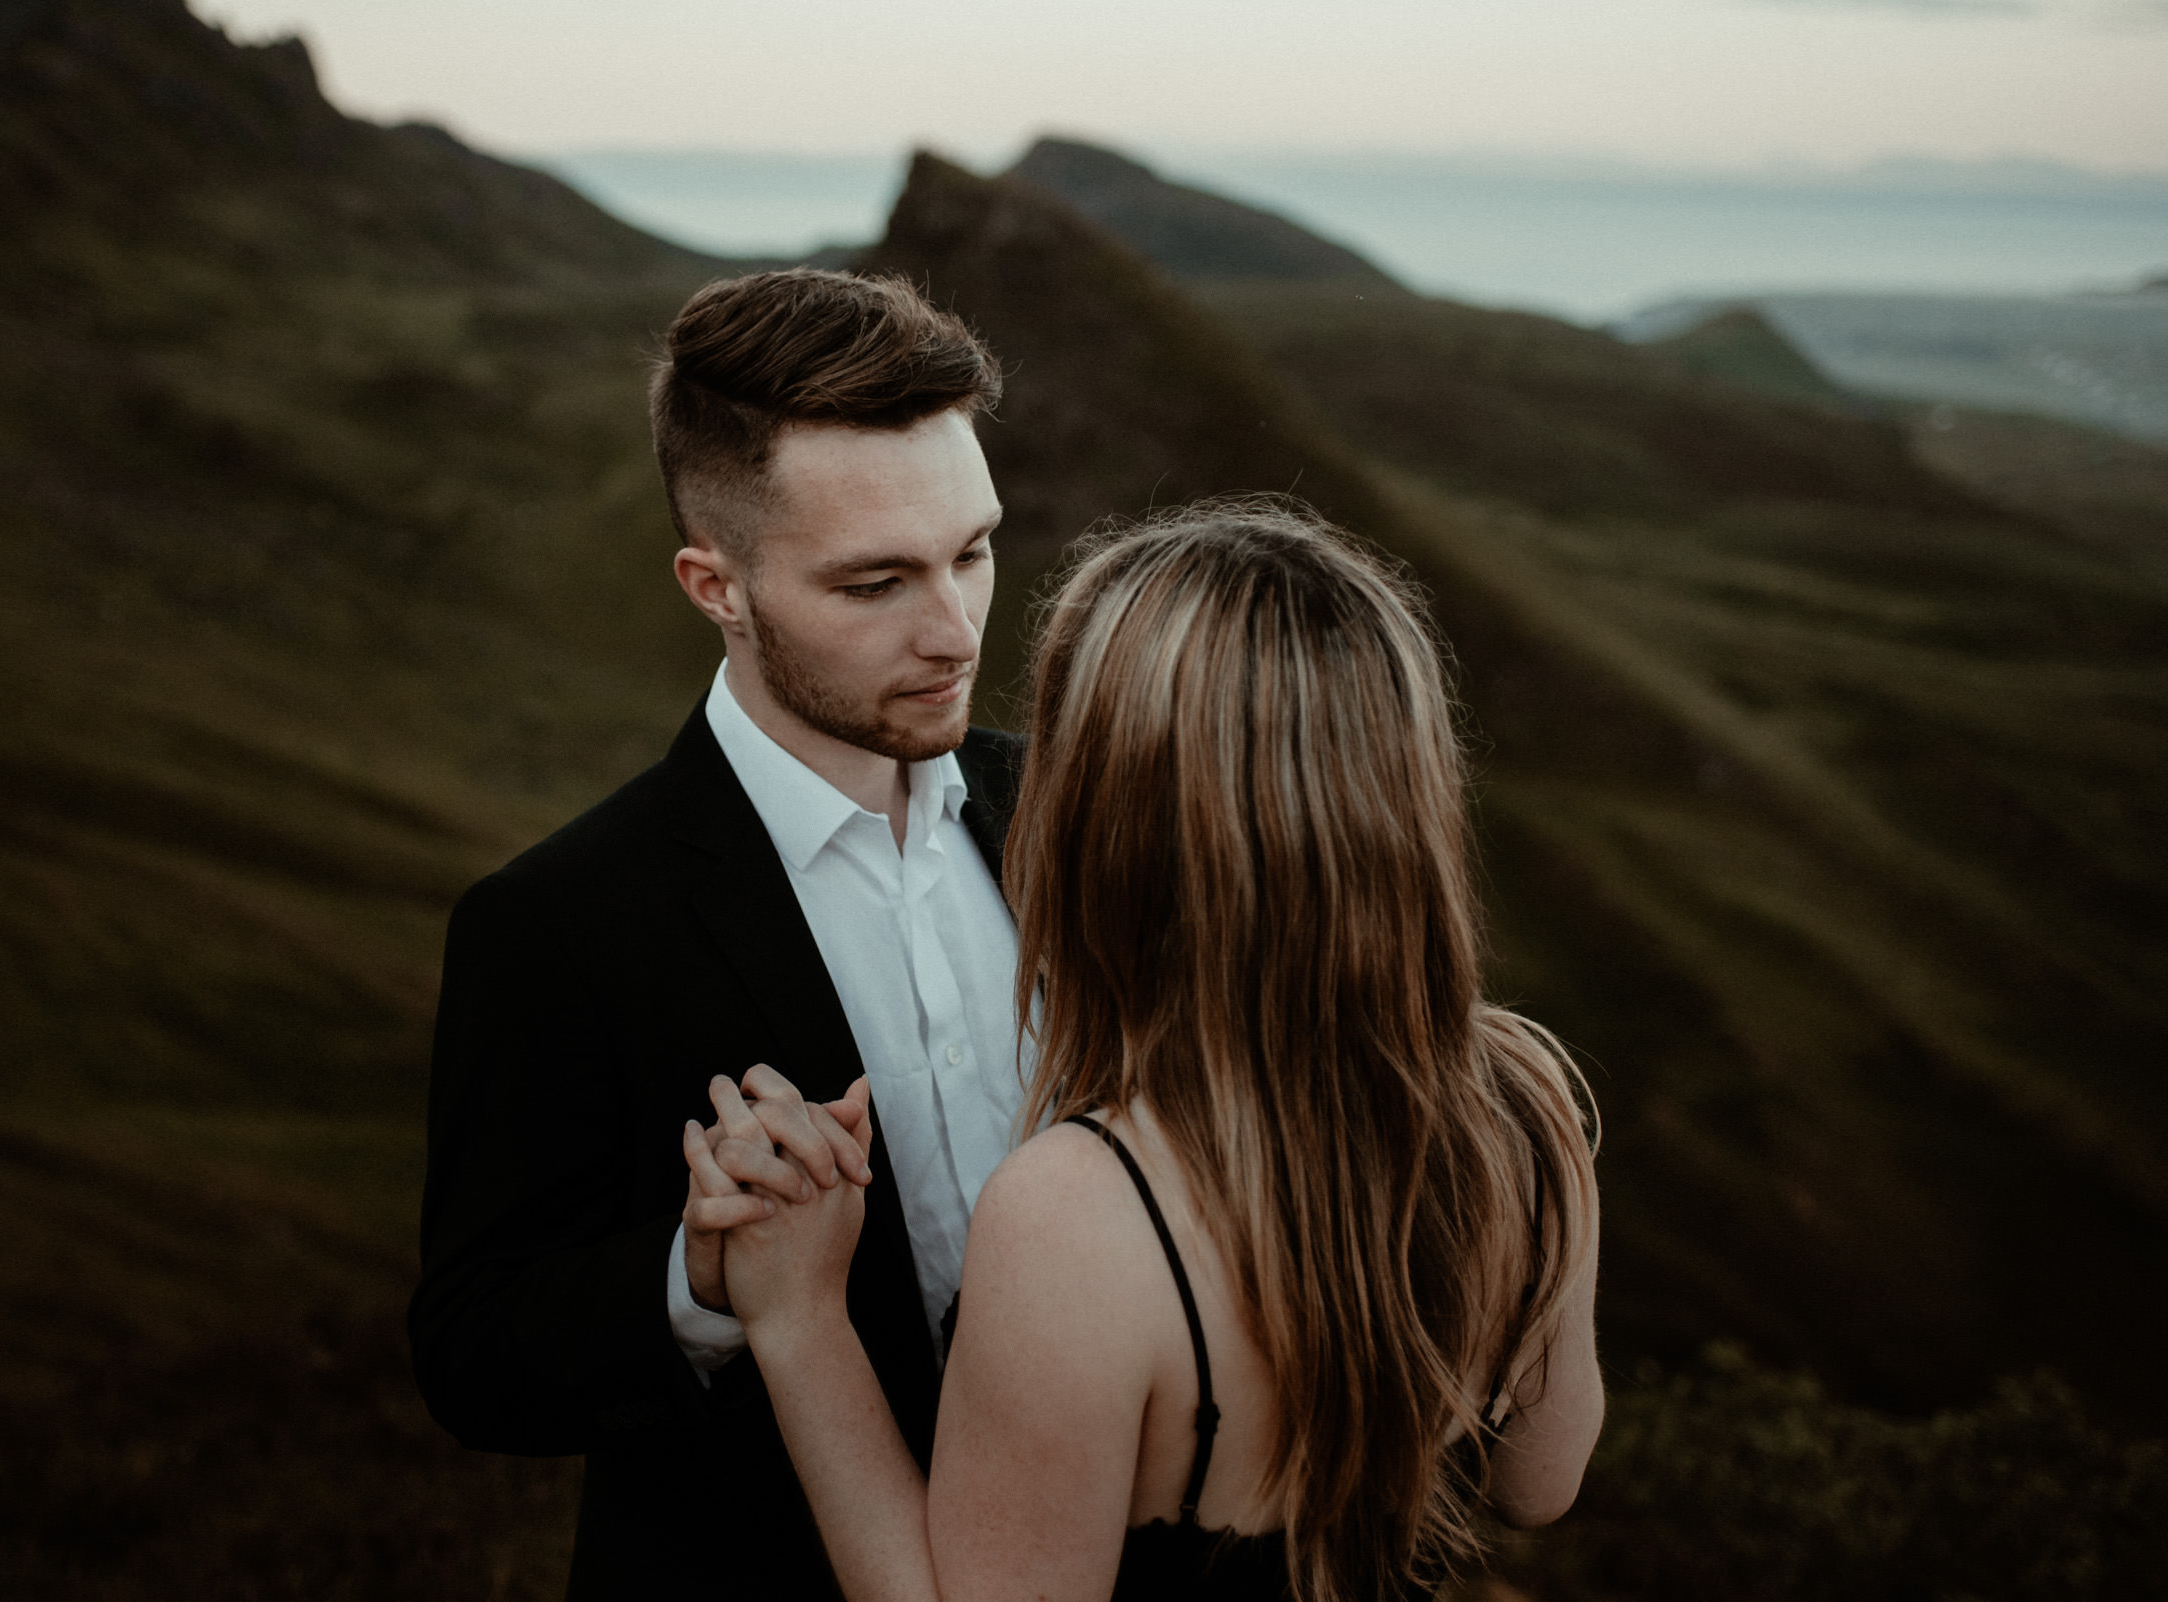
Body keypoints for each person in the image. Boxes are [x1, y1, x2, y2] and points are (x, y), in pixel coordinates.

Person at [684, 502, 1605, 1602]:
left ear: (1104, 818)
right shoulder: (1528, 1098)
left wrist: (799, 1321)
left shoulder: (1079, 1212)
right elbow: (1541, 1480)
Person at [408, 269, 1035, 1601]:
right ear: (716, 584)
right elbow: (473, 1352)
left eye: (972, 550)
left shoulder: (1088, 815)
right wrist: (703, 1269)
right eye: (873, 583)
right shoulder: (558, 924)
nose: (954, 629)